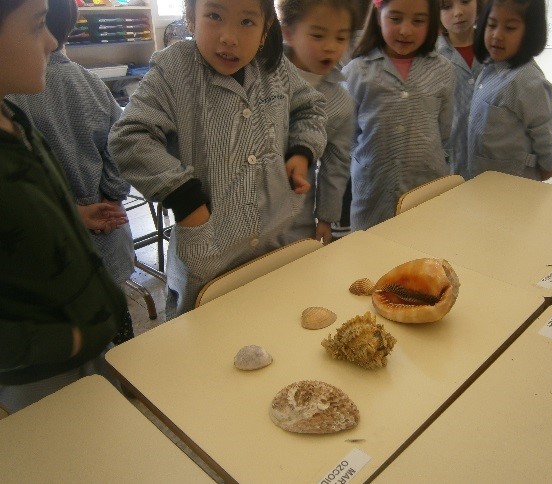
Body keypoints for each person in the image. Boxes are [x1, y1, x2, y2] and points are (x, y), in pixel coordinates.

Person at [109, 0, 328, 318]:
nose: (229, 37)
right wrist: (184, 198)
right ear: (191, 17)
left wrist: (302, 150)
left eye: (247, 22)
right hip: (209, 257)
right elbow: (128, 137)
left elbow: (311, 108)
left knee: (277, 323)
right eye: (214, 16)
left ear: (266, 27)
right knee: (209, 336)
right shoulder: (174, 70)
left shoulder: (274, 68)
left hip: (277, 240)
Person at [0, 0, 128, 412]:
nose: (52, 41)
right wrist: (68, 339)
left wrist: (73, 215)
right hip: (41, 372)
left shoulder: (13, 115)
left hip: (87, 343)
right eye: (37, 24)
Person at [342, 0, 455, 231]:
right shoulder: (357, 72)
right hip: (373, 192)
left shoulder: (443, 70)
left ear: (431, 22)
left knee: (424, 244)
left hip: (427, 187)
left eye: (418, 21)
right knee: (372, 248)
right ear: (378, 16)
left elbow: (444, 130)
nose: (405, 30)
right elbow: (346, 136)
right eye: (395, 19)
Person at [277, 0, 356, 244]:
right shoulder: (262, 75)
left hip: (295, 219)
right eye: (318, 36)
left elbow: (336, 164)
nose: (330, 47)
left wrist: (325, 218)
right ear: (289, 33)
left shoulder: (341, 102)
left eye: (341, 38)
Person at [466, 0, 552, 181]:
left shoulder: (527, 81)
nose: (497, 35)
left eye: (510, 28)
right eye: (491, 25)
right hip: (481, 177)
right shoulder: (490, 67)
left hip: (512, 183)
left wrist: (548, 166)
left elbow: (545, 131)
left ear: (530, 33)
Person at [437, 0, 483, 178]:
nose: (458, 12)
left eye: (465, 1)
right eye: (446, 7)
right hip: (449, 161)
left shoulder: (495, 46)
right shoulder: (430, 56)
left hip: (492, 159)